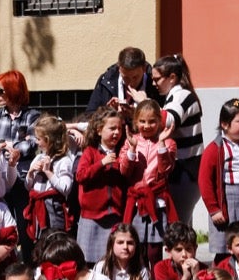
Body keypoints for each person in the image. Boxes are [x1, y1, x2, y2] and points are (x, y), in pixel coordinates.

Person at [199, 99, 239, 257]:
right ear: (225, 124)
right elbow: (204, 181)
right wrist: (214, 209)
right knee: (227, 246)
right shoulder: (215, 149)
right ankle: (222, 276)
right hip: (228, 201)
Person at [0, 71, 40, 261]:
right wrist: (13, 147)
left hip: (21, 179)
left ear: (12, 90)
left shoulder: (31, 116)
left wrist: (9, 147)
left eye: (1, 91)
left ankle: (26, 265)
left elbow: (34, 142)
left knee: (23, 227)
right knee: (1, 228)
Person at [121, 98, 177, 259]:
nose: (147, 126)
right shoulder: (131, 141)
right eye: (142, 121)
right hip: (136, 203)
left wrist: (161, 144)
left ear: (159, 122)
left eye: (152, 121)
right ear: (136, 121)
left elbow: (165, 169)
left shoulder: (168, 142)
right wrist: (131, 148)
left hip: (156, 201)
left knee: (154, 250)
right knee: (136, 250)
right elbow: (124, 171)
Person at [152, 54, 204, 225]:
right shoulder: (175, 96)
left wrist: (143, 105)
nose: (154, 84)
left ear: (172, 77)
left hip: (185, 170)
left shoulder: (182, 95)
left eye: (157, 79)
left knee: (178, 223)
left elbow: (169, 121)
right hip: (183, 170)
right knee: (181, 223)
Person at [75, 107, 128, 264]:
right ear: (99, 130)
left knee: (111, 260)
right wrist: (101, 163)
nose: (116, 133)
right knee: (88, 260)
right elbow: (81, 176)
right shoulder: (90, 152)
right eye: (112, 128)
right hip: (92, 216)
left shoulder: (122, 153)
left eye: (119, 129)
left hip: (114, 215)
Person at [24, 114, 73, 239]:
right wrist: (30, 173)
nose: (36, 142)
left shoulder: (64, 161)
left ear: (49, 140)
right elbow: (29, 186)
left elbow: (66, 188)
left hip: (54, 209)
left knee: (55, 240)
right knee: (41, 242)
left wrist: (48, 172)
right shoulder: (38, 157)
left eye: (39, 139)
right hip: (38, 209)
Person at [85, 46, 155, 115]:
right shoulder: (106, 81)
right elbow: (90, 115)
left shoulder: (155, 84)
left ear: (144, 69)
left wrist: (144, 104)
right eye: (126, 78)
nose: (131, 83)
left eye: (135, 77)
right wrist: (109, 113)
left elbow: (163, 118)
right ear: (119, 69)